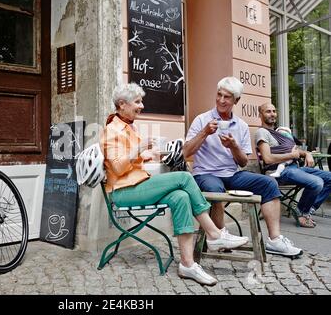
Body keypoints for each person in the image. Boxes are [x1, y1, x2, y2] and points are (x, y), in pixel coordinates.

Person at [100, 83, 249, 286]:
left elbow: (127, 161)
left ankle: (187, 265)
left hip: (136, 184)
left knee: (181, 197)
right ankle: (214, 234)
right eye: (137, 102)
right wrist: (139, 148)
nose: (141, 106)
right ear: (122, 104)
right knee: (184, 177)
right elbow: (117, 168)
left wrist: (145, 155)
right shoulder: (112, 129)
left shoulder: (128, 126)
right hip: (123, 192)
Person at [183, 76, 303, 258]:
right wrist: (204, 133)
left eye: (227, 97)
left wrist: (233, 146)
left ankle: (275, 240)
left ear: (236, 100)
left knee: (268, 184)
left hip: (232, 174)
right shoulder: (202, 120)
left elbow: (243, 162)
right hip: (205, 174)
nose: (221, 100)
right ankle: (220, 236)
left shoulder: (241, 126)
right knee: (215, 188)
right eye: (219, 95)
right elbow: (186, 152)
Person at [256, 103, 331, 228]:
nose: (272, 114)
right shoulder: (262, 133)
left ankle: (307, 209)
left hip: (294, 168)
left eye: (274, 111)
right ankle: (302, 212)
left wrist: (306, 153)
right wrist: (292, 155)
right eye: (268, 111)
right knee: (317, 182)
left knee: (329, 178)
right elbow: (268, 159)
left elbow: (293, 150)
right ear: (260, 114)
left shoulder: (281, 132)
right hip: (278, 172)